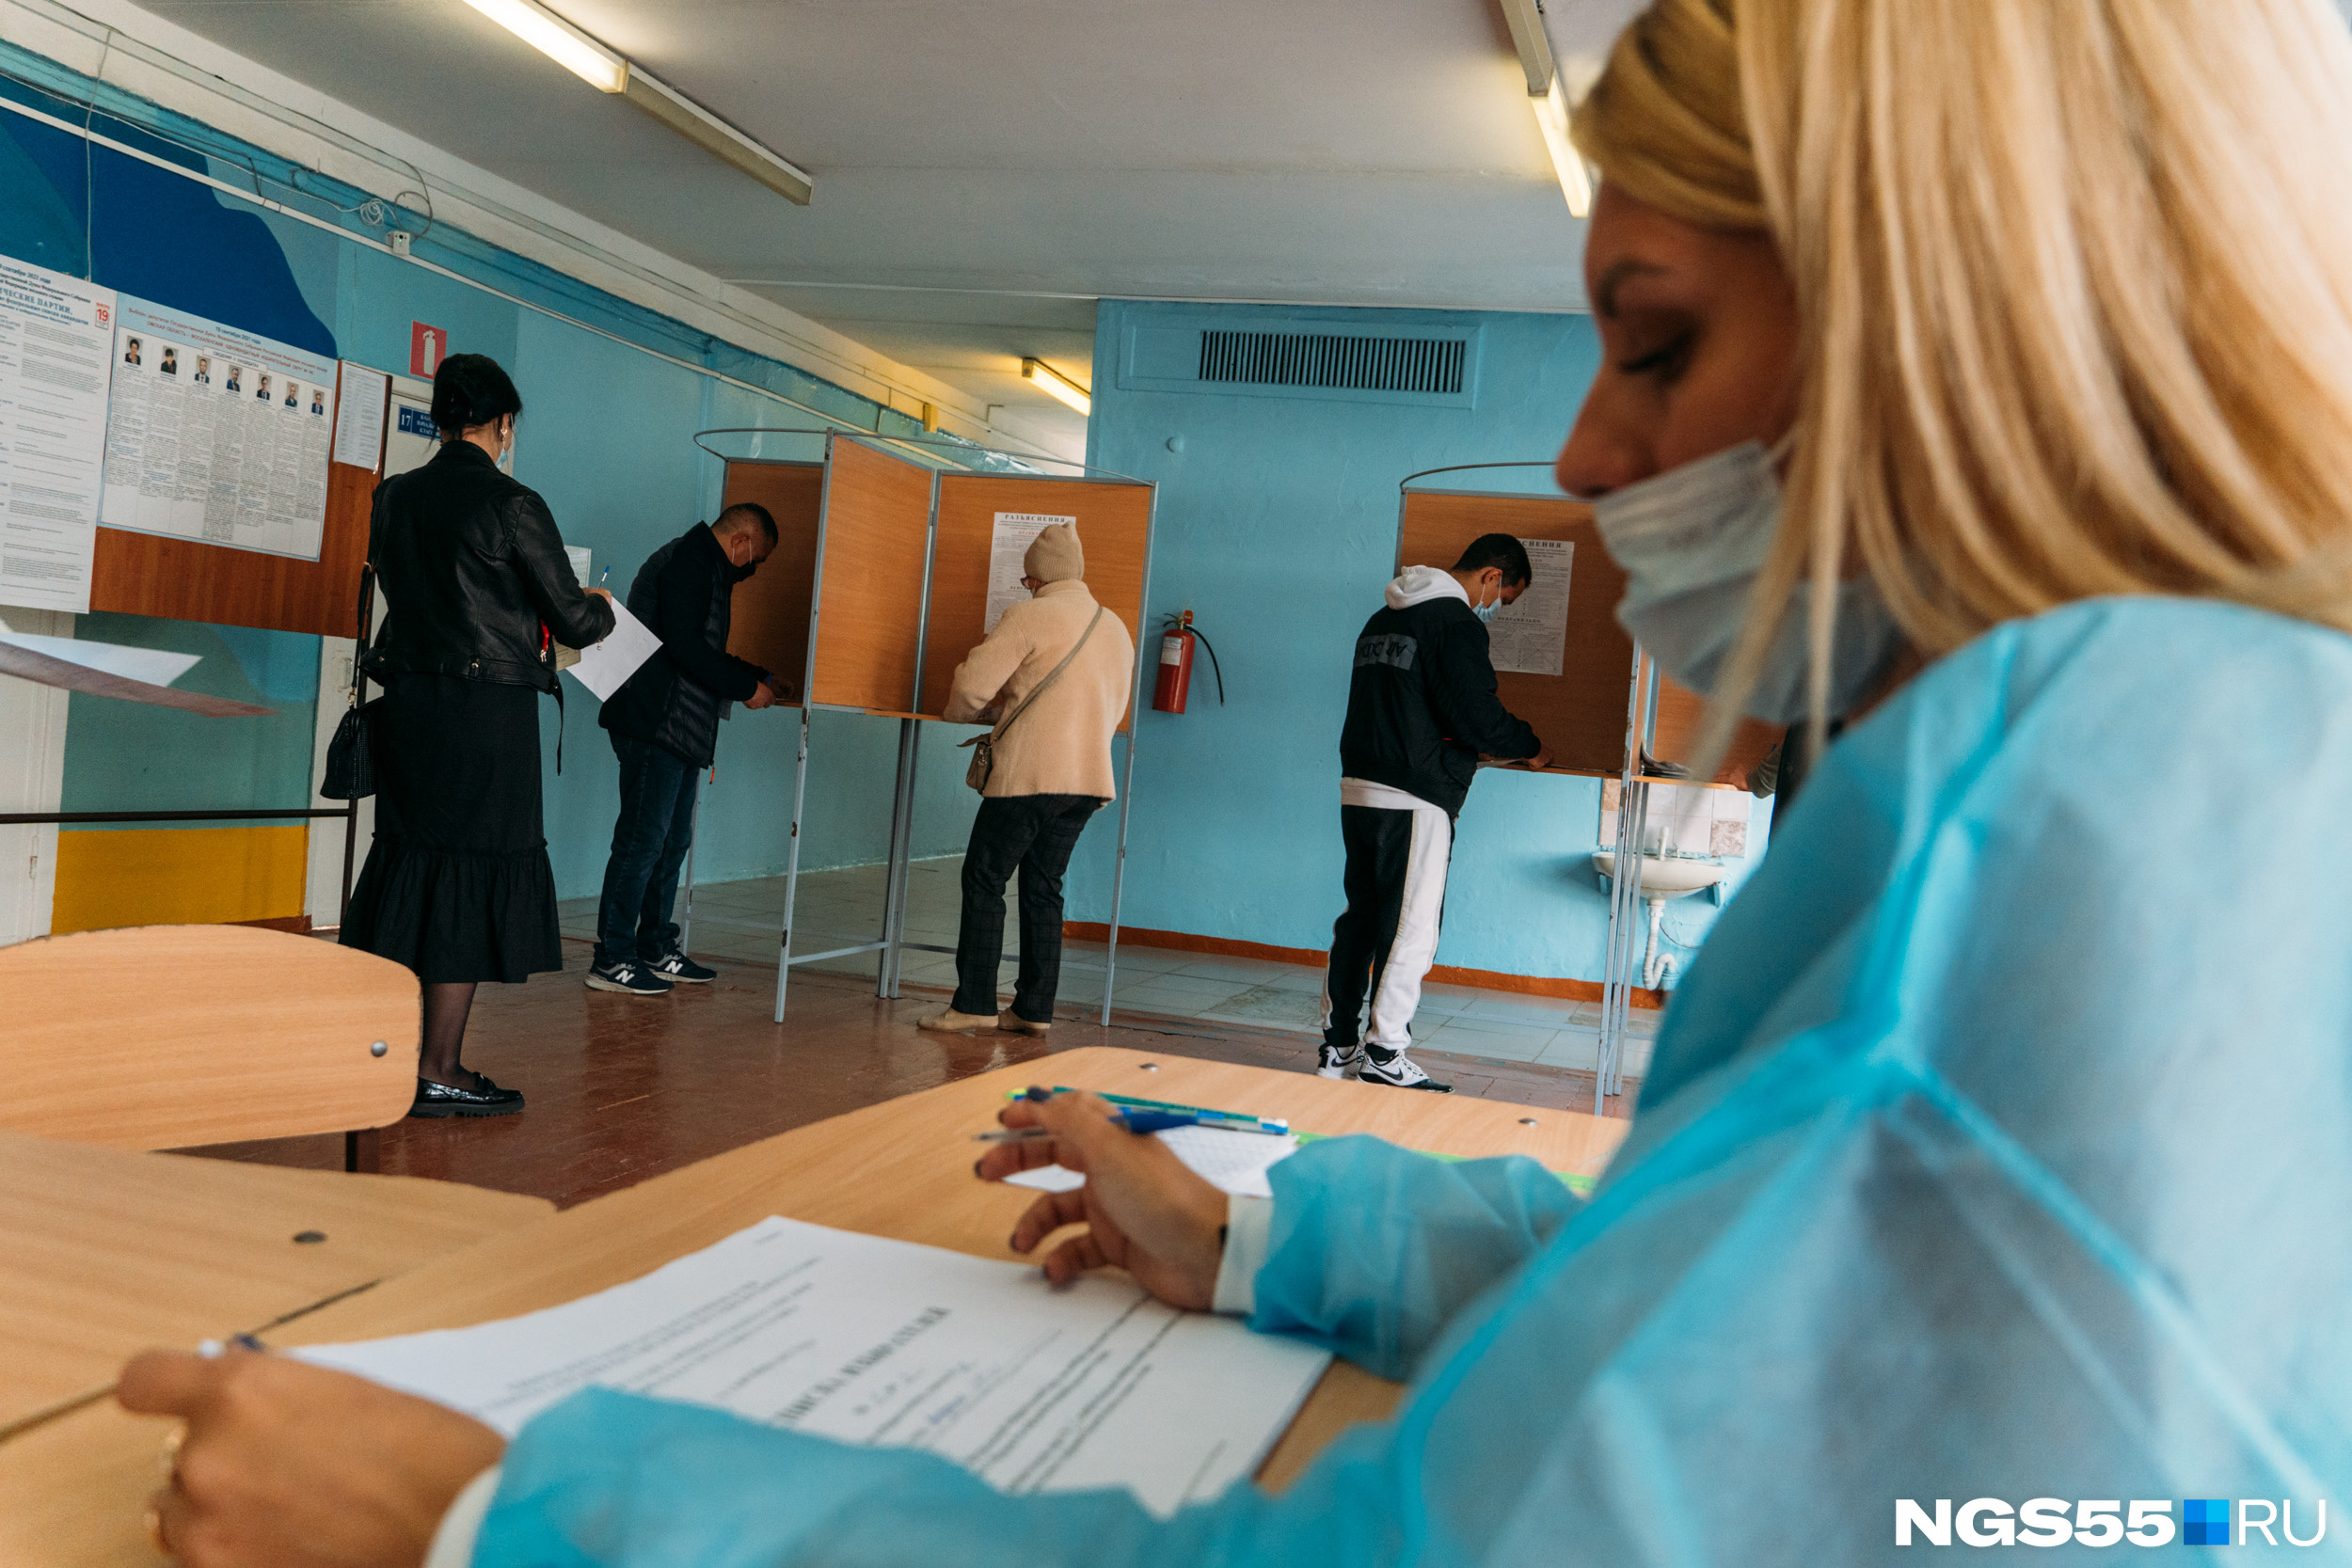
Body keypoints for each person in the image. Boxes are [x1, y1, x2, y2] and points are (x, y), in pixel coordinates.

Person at [118, 1, 2352, 1562]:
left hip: (1020, 785)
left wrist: (500, 1513)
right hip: (1167, 802)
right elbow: (1761, 1334)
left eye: (1656, 339)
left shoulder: (2043, 828)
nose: (1586, 454)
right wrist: (1289, 1221)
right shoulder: (2210, 778)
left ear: (1972, 320)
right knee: (1312, 951)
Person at [339, 353, 614, 1118]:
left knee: (413, 867)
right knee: (465, 880)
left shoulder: (391, 498)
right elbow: (576, 618)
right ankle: (440, 1066)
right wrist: (602, 603)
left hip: (410, 712)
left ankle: (384, 1051)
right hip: (485, 718)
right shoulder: (514, 504)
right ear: (501, 424)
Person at [1319, 533, 1550, 1091]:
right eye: (1504, 598)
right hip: (1416, 795)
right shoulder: (1455, 623)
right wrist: (1531, 744)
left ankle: (1339, 1048)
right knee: (1411, 929)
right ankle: (1385, 1051)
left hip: (1361, 785)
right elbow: (1477, 718)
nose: (1494, 610)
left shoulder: (1382, 617)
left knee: (1361, 921)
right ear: (1493, 576)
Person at [918, 523, 1134, 1037]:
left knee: (985, 878)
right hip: (1087, 781)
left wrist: (959, 714)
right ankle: (1033, 1010)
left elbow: (970, 686)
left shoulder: (1029, 615)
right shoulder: (1114, 626)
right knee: (1044, 887)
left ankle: (974, 1002)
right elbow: (1114, 705)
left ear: (1036, 578)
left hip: (1029, 776)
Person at [586, 504, 785, 996]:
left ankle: (654, 945)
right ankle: (611, 958)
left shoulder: (704, 566)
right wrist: (744, 687)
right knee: (641, 842)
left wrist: (758, 674)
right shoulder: (689, 562)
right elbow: (684, 648)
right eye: (754, 559)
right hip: (657, 724)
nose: (750, 570)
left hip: (680, 730)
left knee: (670, 842)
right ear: (740, 543)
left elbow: (702, 648)